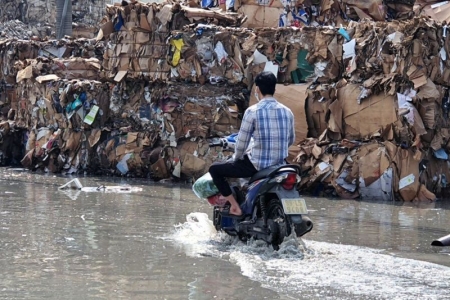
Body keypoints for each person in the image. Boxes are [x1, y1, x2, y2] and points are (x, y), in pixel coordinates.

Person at [209, 71, 295, 217]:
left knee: (215, 169)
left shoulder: (253, 111)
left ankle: (235, 206)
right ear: (274, 89)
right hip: (280, 166)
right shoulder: (288, 112)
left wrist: (235, 159)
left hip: (257, 166)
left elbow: (242, 144)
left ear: (257, 89)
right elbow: (290, 140)